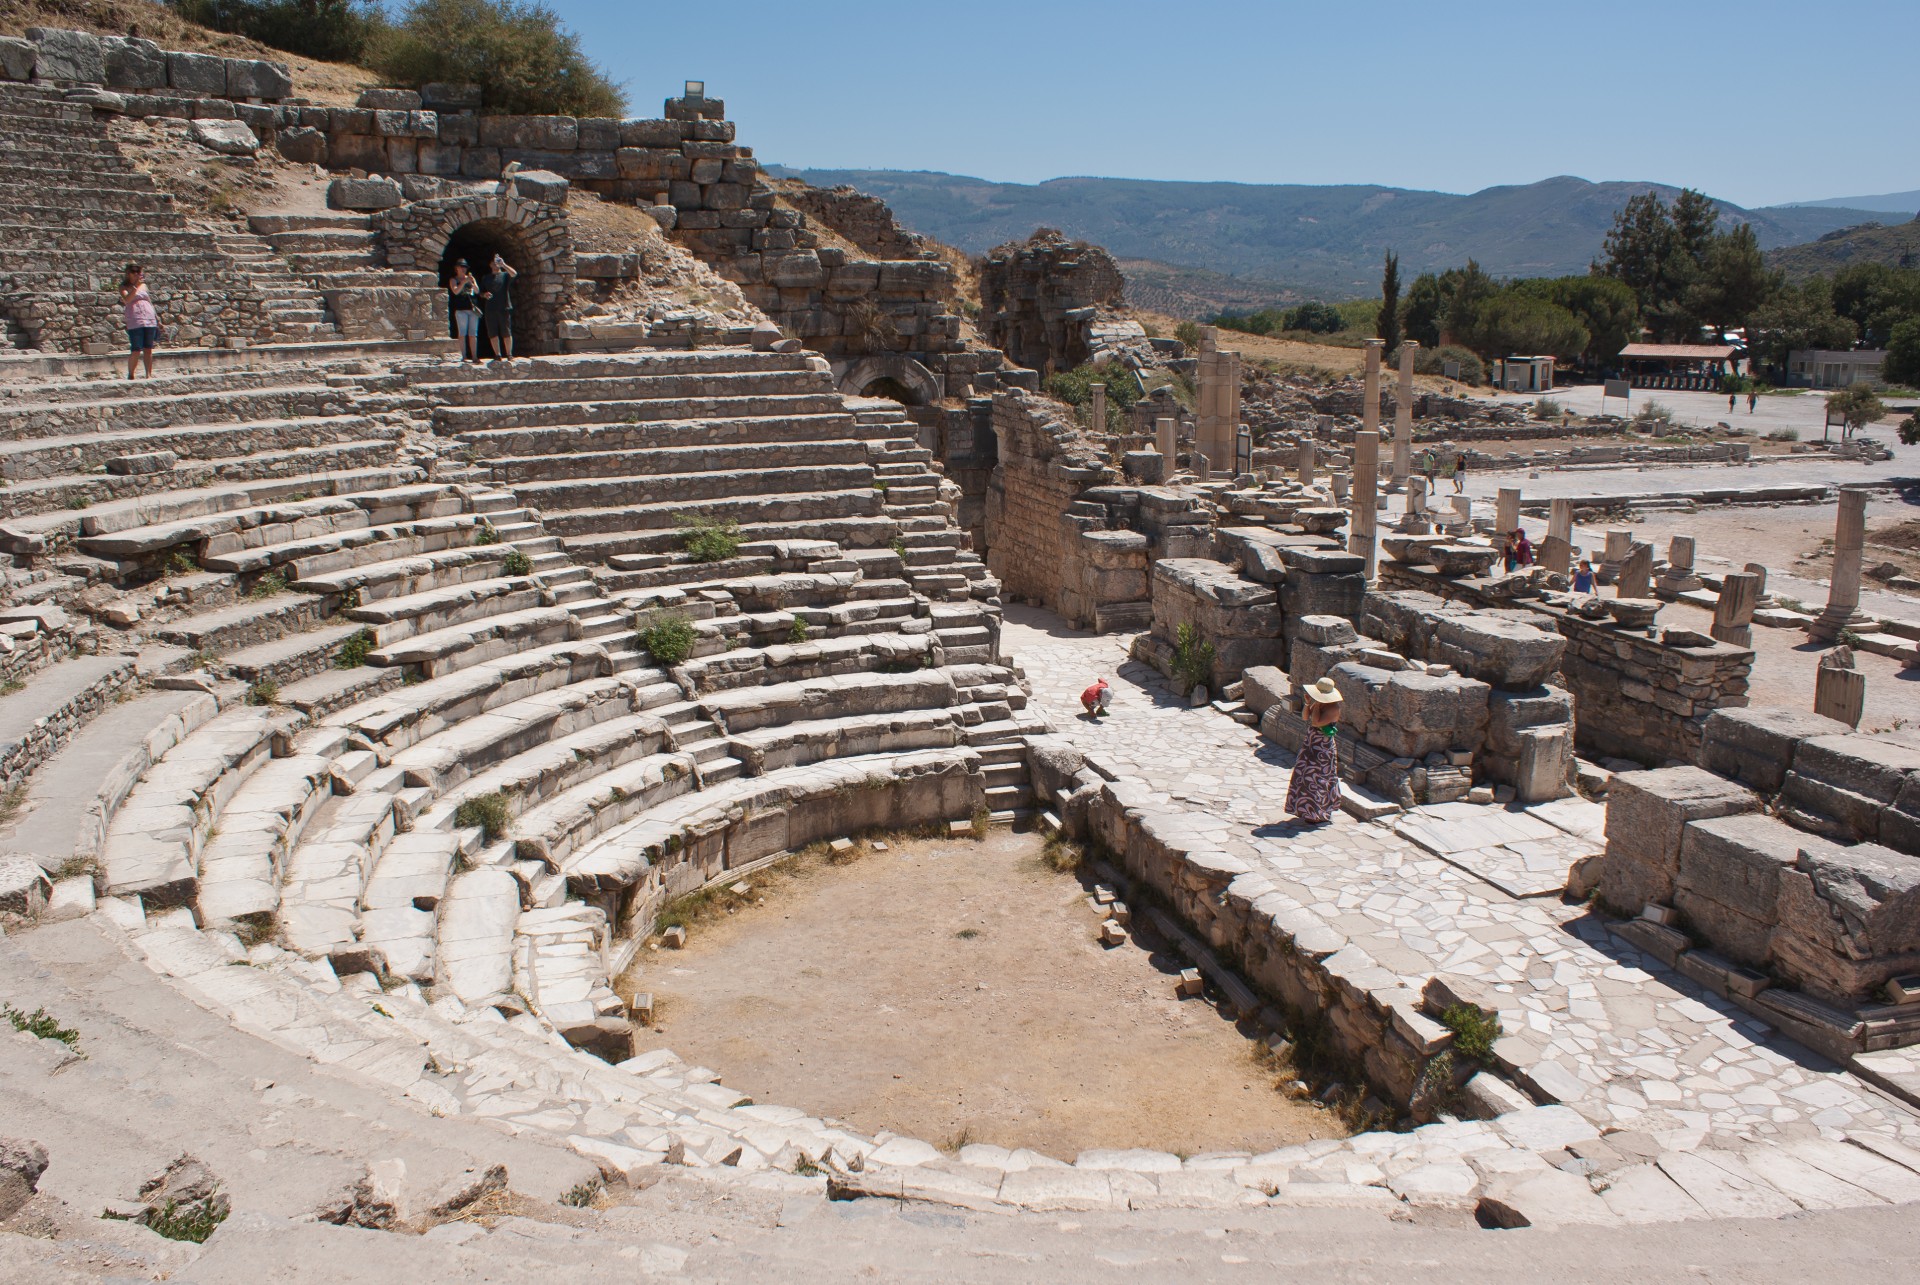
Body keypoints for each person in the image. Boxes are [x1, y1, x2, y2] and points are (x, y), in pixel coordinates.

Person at [1283, 678, 1343, 825]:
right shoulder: (1318, 703)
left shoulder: (1334, 708)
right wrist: (1309, 703)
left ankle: (1318, 812)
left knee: (1318, 777)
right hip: (1311, 743)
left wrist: (1317, 705)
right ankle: (1303, 808)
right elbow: (1305, 717)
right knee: (1305, 774)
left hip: (1322, 747)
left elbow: (1316, 722)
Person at [120, 262, 160, 379]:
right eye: (133, 272)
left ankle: (148, 374)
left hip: (149, 318)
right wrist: (136, 286)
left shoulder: (144, 286)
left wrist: (157, 318)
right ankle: (131, 373)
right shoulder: (123, 287)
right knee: (136, 349)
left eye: (138, 271)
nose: (136, 274)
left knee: (148, 348)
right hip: (135, 319)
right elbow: (127, 299)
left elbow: (149, 301)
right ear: (128, 273)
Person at [480, 253, 518, 360]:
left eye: (497, 262)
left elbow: (514, 274)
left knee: (506, 331)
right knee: (493, 332)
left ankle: (509, 354)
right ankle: (497, 354)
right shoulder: (486, 278)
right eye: (494, 262)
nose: (496, 264)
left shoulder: (505, 275)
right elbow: (480, 293)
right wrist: (485, 295)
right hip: (490, 308)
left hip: (504, 307)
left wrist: (504, 265)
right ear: (490, 264)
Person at [447, 259, 481, 362]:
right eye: (461, 267)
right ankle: (464, 356)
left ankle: (474, 356)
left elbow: (477, 291)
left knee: (473, 334)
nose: (463, 269)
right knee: (462, 333)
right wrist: (463, 282)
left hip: (472, 309)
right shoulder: (453, 280)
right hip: (460, 309)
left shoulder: (471, 278)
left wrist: (472, 282)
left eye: (464, 267)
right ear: (456, 268)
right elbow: (456, 291)